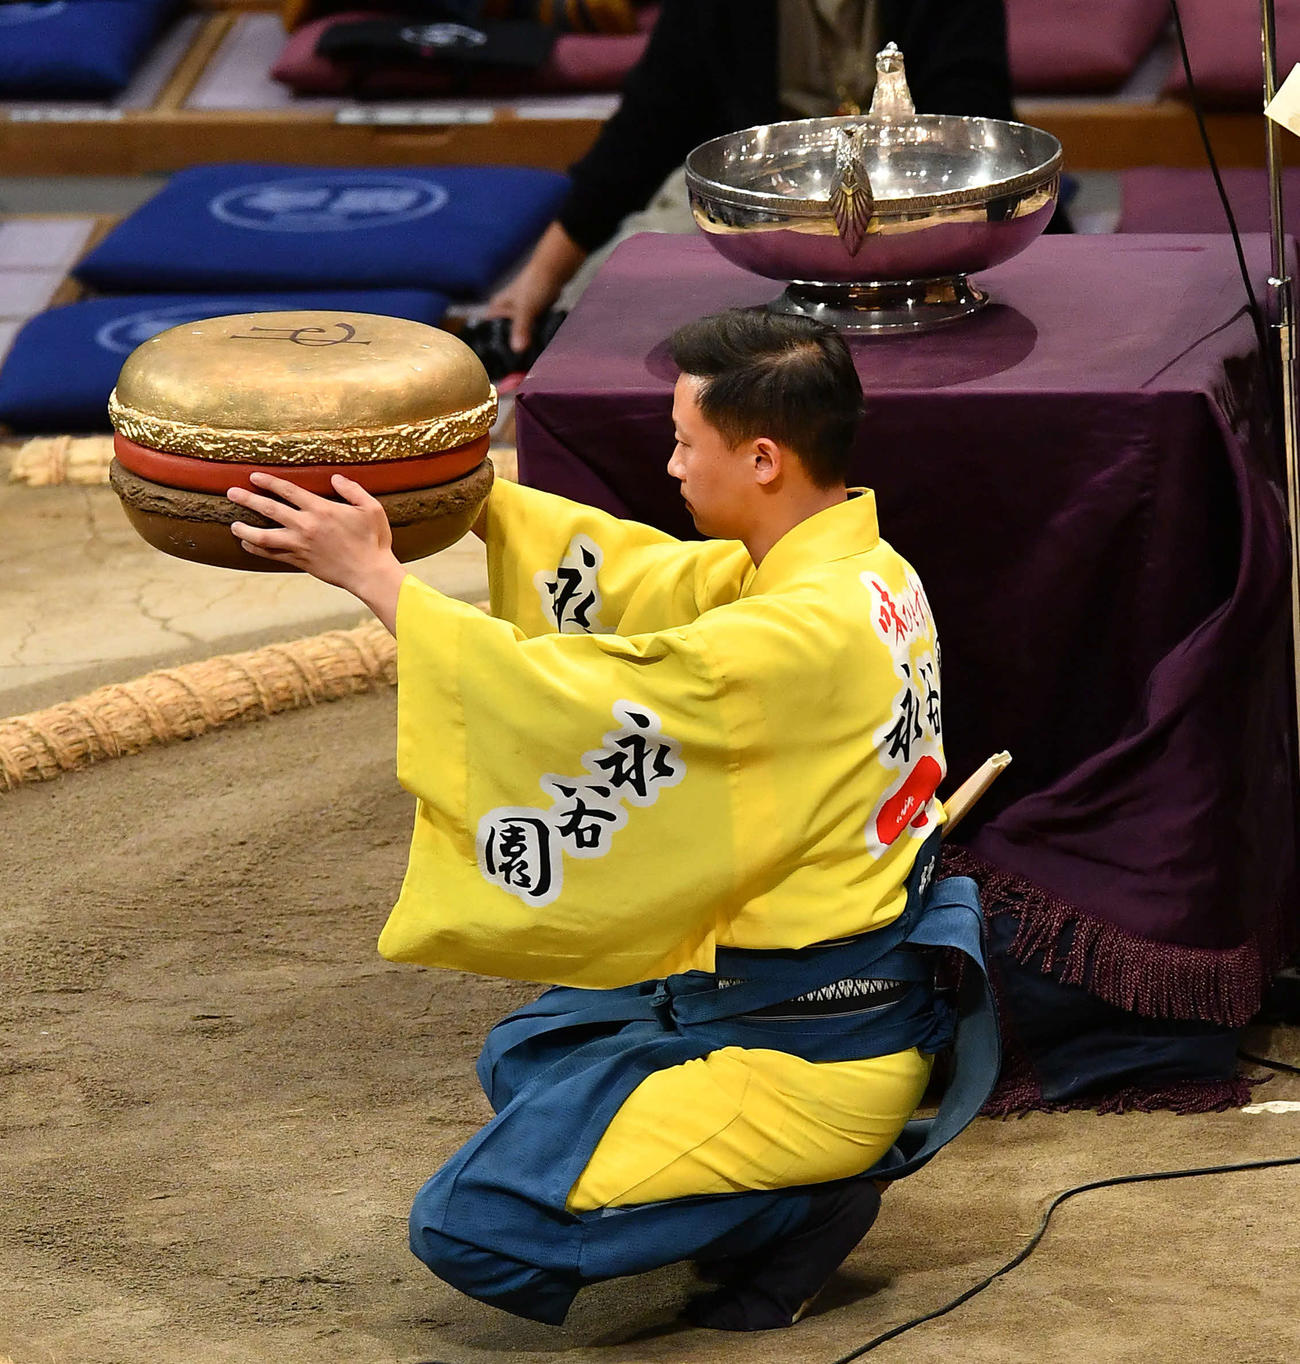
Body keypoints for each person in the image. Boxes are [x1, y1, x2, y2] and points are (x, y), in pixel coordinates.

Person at [226, 308, 995, 1331]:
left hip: (811, 1046)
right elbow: (647, 578)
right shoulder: (862, 569)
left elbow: (590, 690)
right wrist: (459, 494)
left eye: (684, 441)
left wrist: (378, 578)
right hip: (792, 985)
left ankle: (803, 1207)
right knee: (527, 1053)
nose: (670, 465)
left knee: (470, 1225)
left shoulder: (796, 629)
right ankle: (766, 1179)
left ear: (762, 458)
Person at [487, 0, 1016, 354]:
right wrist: (544, 275)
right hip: (764, 197)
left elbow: (973, 119)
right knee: (606, 320)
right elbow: (649, 123)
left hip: (922, 199)